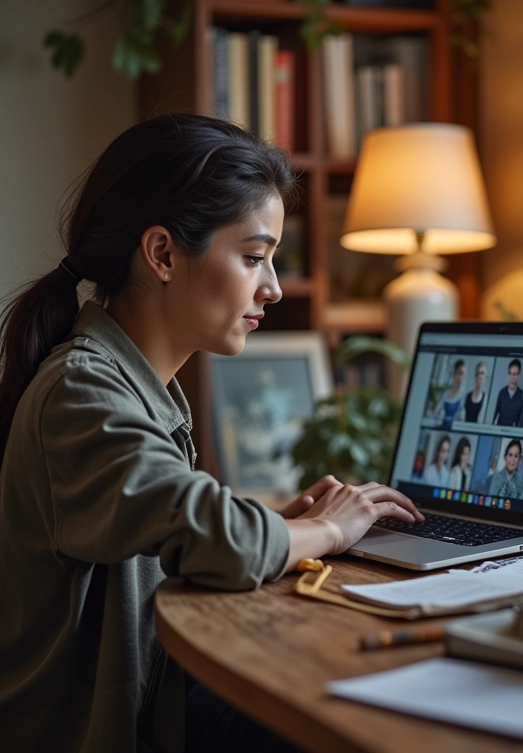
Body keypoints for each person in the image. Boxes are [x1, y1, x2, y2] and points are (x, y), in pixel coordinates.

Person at [0, 114, 423, 753]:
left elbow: (174, 531)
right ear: (163, 254)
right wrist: (327, 530)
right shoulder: (81, 393)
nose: (274, 287)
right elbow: (214, 537)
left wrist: (278, 524)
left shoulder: (131, 385)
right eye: (254, 257)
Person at [492, 359, 523, 427]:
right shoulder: (502, 393)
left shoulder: (522, 396)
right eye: (511, 374)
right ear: (508, 375)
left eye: (515, 374)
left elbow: (521, 420)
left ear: (518, 375)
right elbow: (495, 416)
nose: (513, 377)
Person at [434, 359, 465, 429]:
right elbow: (437, 411)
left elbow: (463, 418)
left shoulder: (463, 395)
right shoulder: (446, 393)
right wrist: (440, 416)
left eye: (463, 374)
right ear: (455, 373)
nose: (461, 377)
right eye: (460, 373)